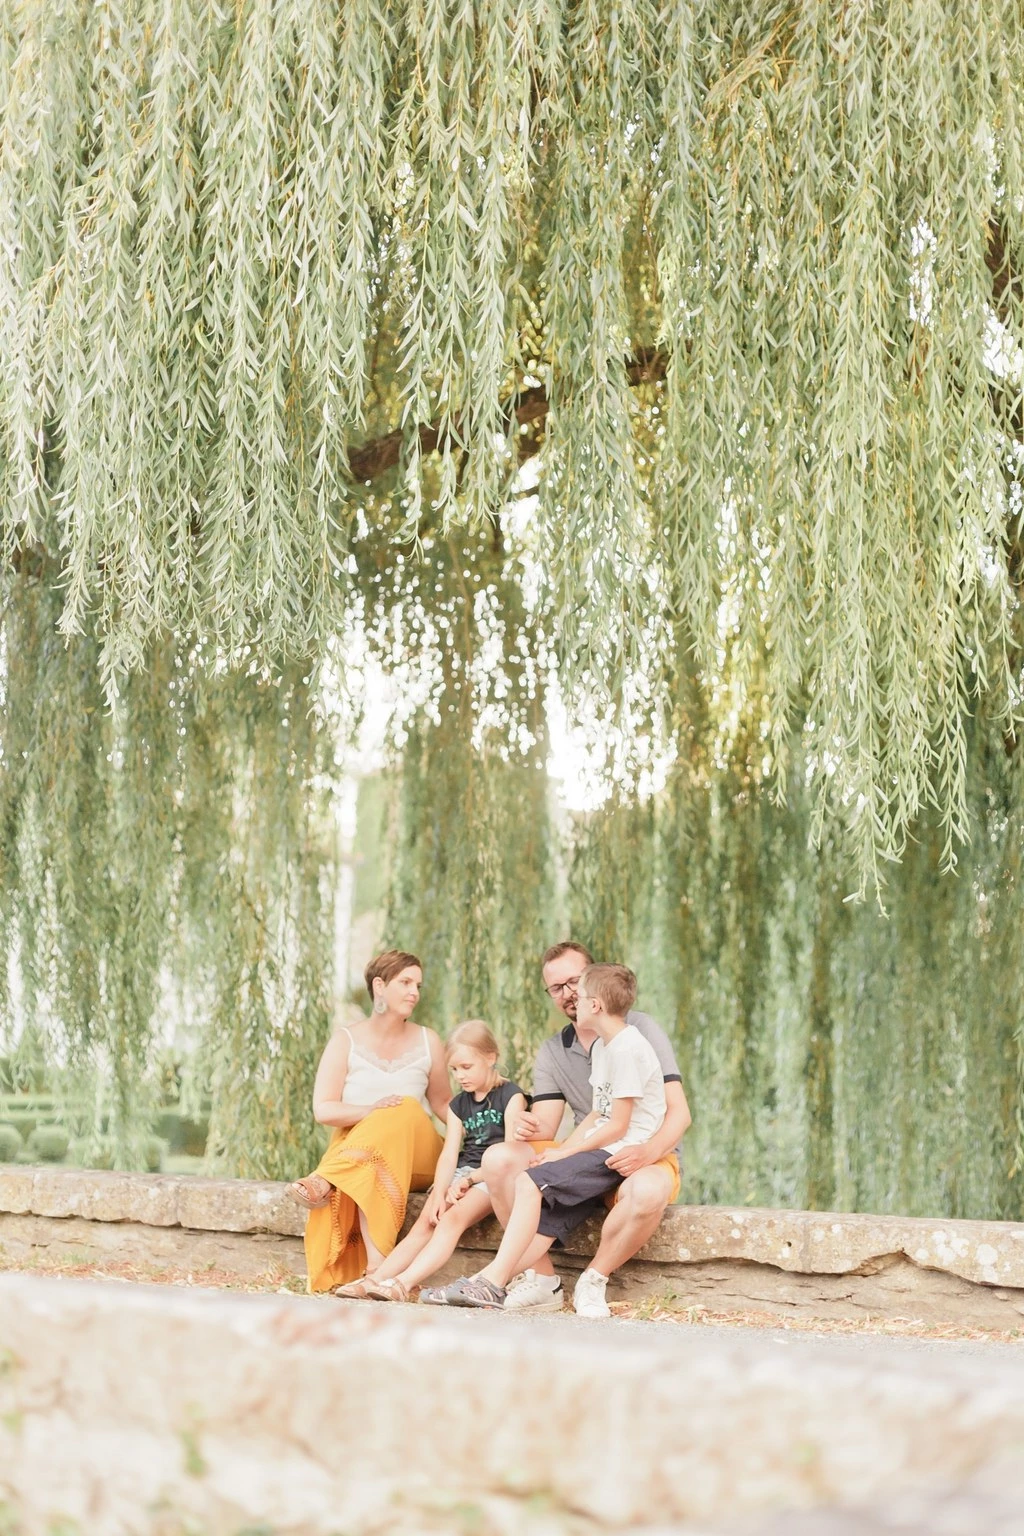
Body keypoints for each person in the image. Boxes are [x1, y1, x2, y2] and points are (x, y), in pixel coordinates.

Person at [477, 941, 691, 1318]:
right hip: (594, 1147)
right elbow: (554, 1122)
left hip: (641, 1149)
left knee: (647, 1189)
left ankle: (594, 1278)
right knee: (499, 1160)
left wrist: (650, 1152)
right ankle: (541, 1280)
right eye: (556, 988)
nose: (568, 993)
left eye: (575, 981)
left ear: (594, 986)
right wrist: (520, 1119)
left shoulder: (637, 1032)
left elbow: (679, 1114)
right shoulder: (555, 1050)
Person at [440, 965, 666, 1310]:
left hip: (618, 1150)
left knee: (531, 1183)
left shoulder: (628, 1047)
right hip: (601, 1145)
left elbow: (618, 1125)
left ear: (596, 1006)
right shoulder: (607, 1047)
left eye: (582, 995)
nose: (575, 999)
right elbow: (597, 1112)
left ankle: (492, 1283)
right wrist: (566, 1149)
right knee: (545, 1208)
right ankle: (503, 1283)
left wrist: (564, 1156)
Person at [288, 949, 450, 1293]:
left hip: (419, 1157)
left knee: (405, 1106)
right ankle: (376, 1268)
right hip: (368, 1156)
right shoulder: (345, 1040)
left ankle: (327, 1178)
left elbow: (444, 1104)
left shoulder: (428, 1040)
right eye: (405, 982)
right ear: (379, 986)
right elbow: (325, 1110)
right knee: (383, 1131)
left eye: (418, 985)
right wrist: (372, 1109)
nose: (414, 993)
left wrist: (492, 1132)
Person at [333, 1019, 526, 1302]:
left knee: (452, 1219)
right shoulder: (460, 1104)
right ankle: (373, 1279)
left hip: (493, 1176)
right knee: (427, 1220)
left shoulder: (511, 1096)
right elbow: (450, 1153)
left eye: (466, 1067)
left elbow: (510, 1153)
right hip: (465, 1171)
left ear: (490, 1057)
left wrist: (469, 1181)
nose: (460, 1076)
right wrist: (439, 1190)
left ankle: (401, 1284)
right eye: (454, 1070)